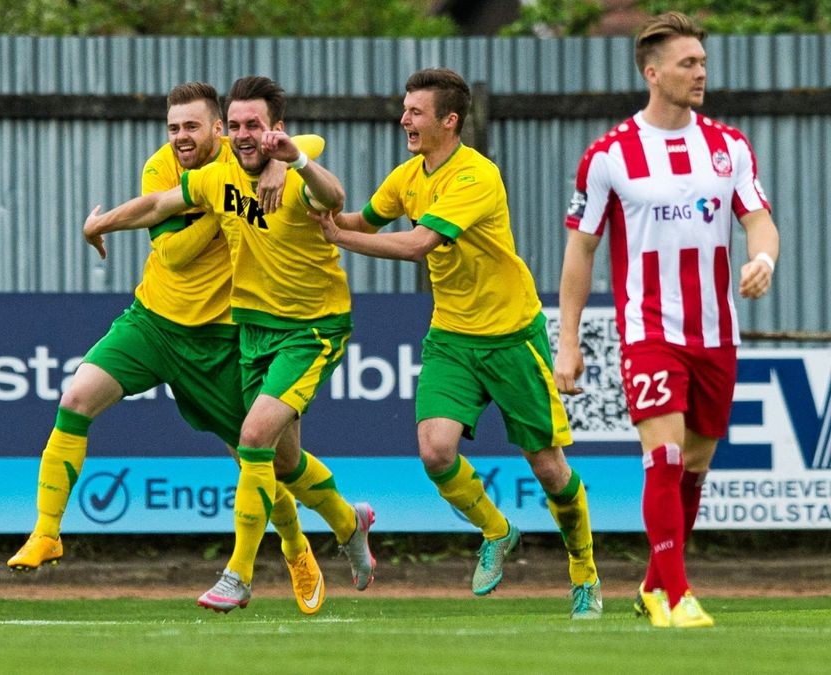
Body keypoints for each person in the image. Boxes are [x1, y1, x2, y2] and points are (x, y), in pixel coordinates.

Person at [8, 81, 354, 615]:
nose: (180, 138)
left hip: (223, 338)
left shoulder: (254, 158)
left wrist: (284, 163)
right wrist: (108, 221)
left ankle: (297, 547)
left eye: (192, 127)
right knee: (76, 398)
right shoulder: (168, 167)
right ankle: (47, 531)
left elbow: (307, 144)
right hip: (153, 323)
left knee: (269, 459)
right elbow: (172, 252)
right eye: (173, 128)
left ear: (219, 129)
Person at [312, 67, 601, 620]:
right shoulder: (408, 175)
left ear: (450, 120)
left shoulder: (476, 176)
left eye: (415, 112)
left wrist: (336, 237)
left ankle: (584, 573)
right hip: (451, 336)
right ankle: (498, 530)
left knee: (549, 469)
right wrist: (311, 213)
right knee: (435, 450)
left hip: (512, 337)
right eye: (405, 109)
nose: (404, 120)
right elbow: (362, 220)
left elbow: (419, 243)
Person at [554, 12, 779, 629]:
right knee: (666, 458)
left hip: (716, 333)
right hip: (649, 332)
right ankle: (674, 595)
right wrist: (567, 341)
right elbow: (581, 249)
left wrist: (762, 257)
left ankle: (653, 582)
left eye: (703, 62)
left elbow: (758, 218)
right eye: (688, 63)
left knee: (696, 466)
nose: (701, 72)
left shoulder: (729, 146)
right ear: (653, 73)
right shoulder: (609, 155)